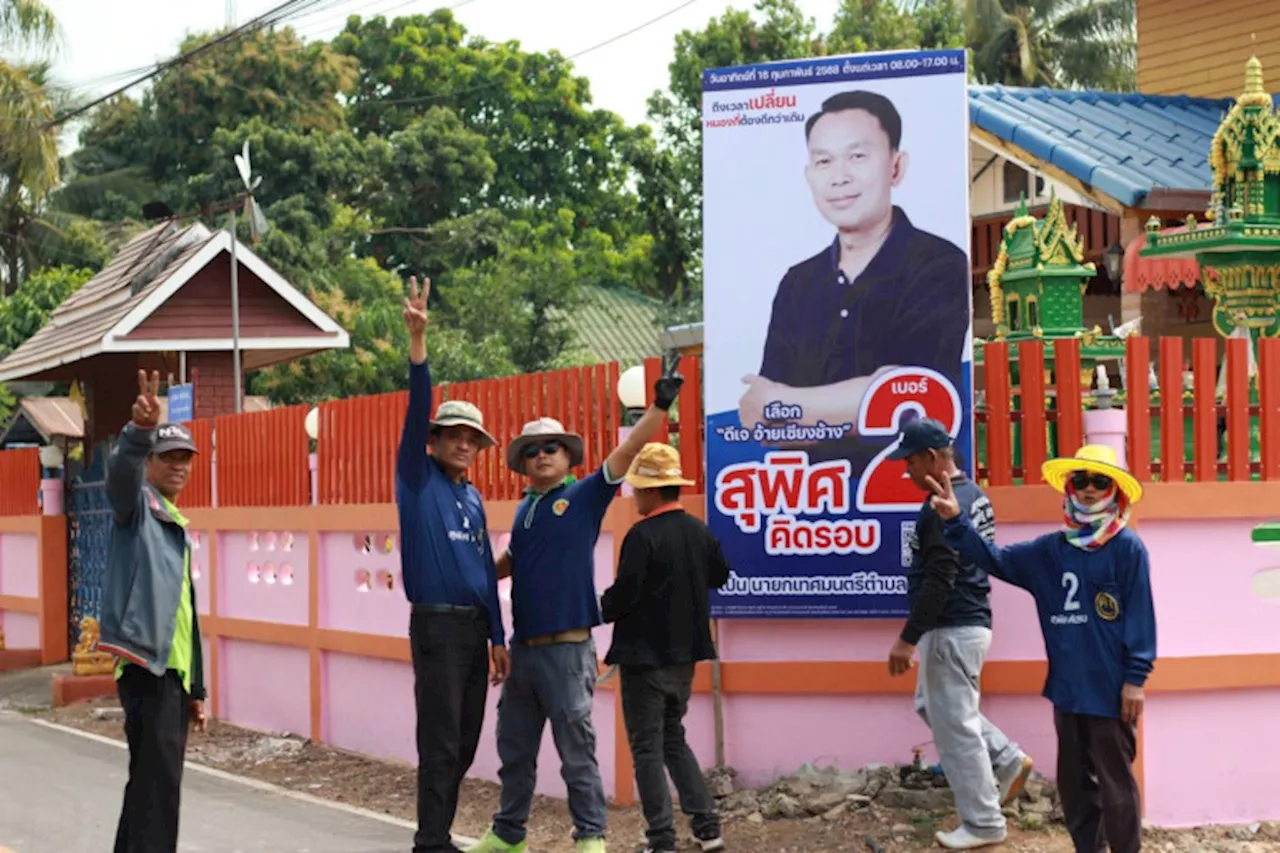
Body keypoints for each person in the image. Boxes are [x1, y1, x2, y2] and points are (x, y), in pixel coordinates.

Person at [466, 361, 685, 853]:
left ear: (568, 457)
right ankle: (508, 835)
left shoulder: (583, 496)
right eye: (532, 451)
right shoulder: (525, 509)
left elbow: (627, 451)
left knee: (576, 753)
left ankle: (591, 838)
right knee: (514, 749)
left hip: (568, 653)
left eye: (551, 448)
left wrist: (661, 406)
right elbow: (511, 562)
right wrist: (470, 570)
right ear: (523, 464)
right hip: (523, 652)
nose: (542, 456)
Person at [929, 445, 1156, 853]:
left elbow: (1140, 616)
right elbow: (995, 560)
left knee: (1115, 782)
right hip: (1067, 688)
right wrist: (956, 522)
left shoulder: (1127, 548)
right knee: (1073, 782)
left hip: (1110, 689)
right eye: (1080, 481)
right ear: (1068, 487)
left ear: (1115, 490)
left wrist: (1135, 679)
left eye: (1099, 481)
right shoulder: (1051, 550)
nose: (1088, 490)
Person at [739, 89, 970, 468]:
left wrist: (792, 404)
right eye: (824, 161)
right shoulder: (797, 283)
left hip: (907, 492)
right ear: (809, 175)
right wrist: (856, 400)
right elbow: (760, 417)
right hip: (808, 503)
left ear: (896, 166)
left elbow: (909, 400)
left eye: (858, 156)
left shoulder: (939, 265)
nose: (840, 177)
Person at [396, 275, 510, 853]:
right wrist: (419, 348)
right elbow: (418, 410)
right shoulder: (416, 482)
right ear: (434, 441)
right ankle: (431, 840)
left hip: (472, 630)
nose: (464, 445)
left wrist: (497, 635)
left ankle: (435, 835)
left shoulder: (472, 497)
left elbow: (486, 572)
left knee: (465, 740)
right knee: (440, 739)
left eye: (473, 438)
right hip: (436, 627)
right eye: (454, 436)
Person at [884, 419, 1034, 850]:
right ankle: (1005, 759)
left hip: (951, 627)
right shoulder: (974, 495)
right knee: (934, 706)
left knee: (956, 729)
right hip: (967, 624)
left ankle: (984, 823)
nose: (906, 470)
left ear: (932, 458)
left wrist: (907, 639)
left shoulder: (943, 506)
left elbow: (941, 577)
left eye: (910, 461)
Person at [599, 442, 731, 853]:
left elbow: (623, 596)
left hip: (644, 660)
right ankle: (707, 827)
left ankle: (660, 839)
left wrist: (590, 608)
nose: (635, 495)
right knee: (673, 738)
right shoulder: (698, 530)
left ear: (652, 492)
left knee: (646, 748)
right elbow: (721, 576)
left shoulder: (642, 536)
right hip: (684, 660)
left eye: (638, 488)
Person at [98, 370, 208, 853]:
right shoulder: (137, 507)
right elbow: (120, 472)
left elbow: (186, 616)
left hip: (172, 675)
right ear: (150, 464)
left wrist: (195, 688)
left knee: (150, 786)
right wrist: (139, 432)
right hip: (145, 667)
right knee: (157, 790)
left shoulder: (175, 523)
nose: (179, 467)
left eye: (185, 458)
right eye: (169, 458)